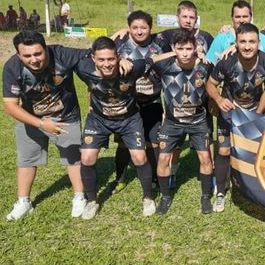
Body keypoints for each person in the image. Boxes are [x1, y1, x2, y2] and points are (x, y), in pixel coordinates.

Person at [2, 31, 88, 220]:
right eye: (27, 56)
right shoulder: (12, 67)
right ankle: (24, 202)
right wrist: (41, 123)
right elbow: (9, 105)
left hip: (66, 116)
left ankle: (79, 196)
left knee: (72, 157)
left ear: (46, 49)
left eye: (38, 54)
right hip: (32, 118)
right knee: (27, 159)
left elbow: (95, 53)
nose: (34, 60)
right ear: (18, 55)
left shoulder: (62, 54)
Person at [76, 37, 153, 219]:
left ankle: (148, 198)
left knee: (139, 157)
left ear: (118, 57)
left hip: (129, 119)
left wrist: (129, 61)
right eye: (101, 60)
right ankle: (92, 201)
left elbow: (151, 61)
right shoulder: (83, 68)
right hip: (98, 120)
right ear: (93, 58)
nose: (107, 64)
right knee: (87, 158)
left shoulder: (132, 69)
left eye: (111, 59)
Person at [206, 23, 265, 213]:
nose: (247, 46)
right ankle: (220, 191)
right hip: (229, 113)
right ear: (235, 43)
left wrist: (258, 113)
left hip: (254, 112)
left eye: (251, 42)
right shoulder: (226, 62)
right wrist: (219, 99)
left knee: (255, 151)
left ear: (258, 43)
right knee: (223, 151)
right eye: (243, 41)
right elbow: (210, 85)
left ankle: (254, 191)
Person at [150, 29, 213, 215]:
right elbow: (147, 61)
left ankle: (205, 197)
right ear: (172, 48)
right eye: (180, 48)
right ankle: (165, 197)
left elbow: (221, 76)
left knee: (205, 158)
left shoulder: (205, 66)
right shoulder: (164, 66)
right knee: (163, 158)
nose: (185, 53)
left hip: (198, 121)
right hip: (172, 122)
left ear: (195, 48)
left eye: (188, 48)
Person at [112, 11, 165, 194]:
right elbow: (98, 55)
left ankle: (155, 178)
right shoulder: (119, 44)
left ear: (151, 28)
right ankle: (120, 177)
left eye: (144, 27)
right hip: (127, 103)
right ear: (128, 28)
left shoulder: (160, 45)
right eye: (135, 27)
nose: (139, 31)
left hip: (152, 101)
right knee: (124, 144)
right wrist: (118, 57)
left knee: (153, 142)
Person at [207, 0, 265, 64]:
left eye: (245, 16)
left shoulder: (263, 39)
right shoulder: (221, 39)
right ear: (232, 18)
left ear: (251, 17)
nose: (241, 20)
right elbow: (209, 63)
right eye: (238, 17)